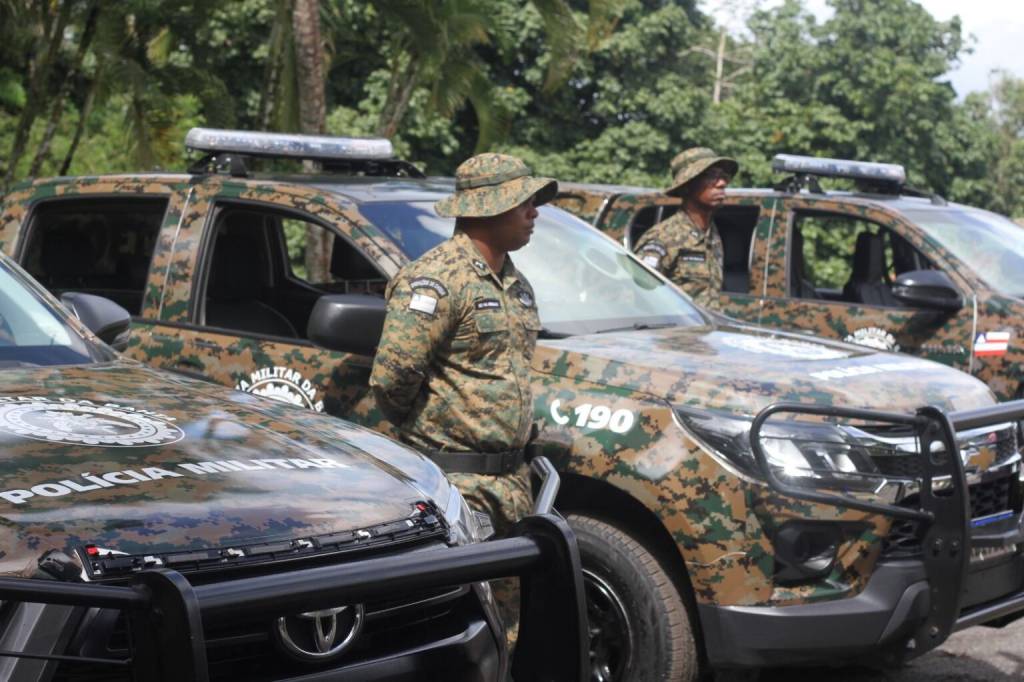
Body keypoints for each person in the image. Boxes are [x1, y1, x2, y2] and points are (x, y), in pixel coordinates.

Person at [369, 152, 557, 643]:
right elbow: (392, 379)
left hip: (512, 484)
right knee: (458, 624)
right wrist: (435, 439)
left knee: (509, 627)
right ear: (491, 207)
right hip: (457, 483)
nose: (534, 211)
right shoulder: (435, 279)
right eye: (525, 202)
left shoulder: (518, 285)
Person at [634, 147, 739, 310]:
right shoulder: (663, 238)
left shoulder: (712, 235)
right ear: (687, 186)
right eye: (711, 176)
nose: (722, 183)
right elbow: (639, 297)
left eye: (723, 176)